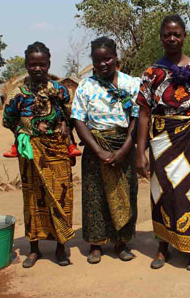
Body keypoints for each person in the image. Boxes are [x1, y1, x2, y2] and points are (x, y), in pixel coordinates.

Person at [136, 15, 190, 271]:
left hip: (189, 138)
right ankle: (163, 247)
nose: (171, 38)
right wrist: (141, 151)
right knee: (161, 193)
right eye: (166, 34)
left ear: (184, 36)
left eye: (177, 34)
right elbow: (143, 113)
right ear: (161, 38)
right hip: (160, 139)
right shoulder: (152, 73)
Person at [3, 42, 74, 268]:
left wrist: (66, 125)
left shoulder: (60, 90)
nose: (37, 69)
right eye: (32, 64)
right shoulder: (18, 94)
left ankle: (61, 248)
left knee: (61, 198)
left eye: (41, 64)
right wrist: (23, 131)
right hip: (31, 153)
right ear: (26, 65)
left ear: (48, 64)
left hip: (58, 150)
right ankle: (34, 249)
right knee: (33, 199)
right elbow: (7, 120)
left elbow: (73, 114)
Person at [71, 36, 140, 264]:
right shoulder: (86, 86)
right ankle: (96, 244)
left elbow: (136, 118)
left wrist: (124, 150)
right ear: (92, 61)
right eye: (98, 60)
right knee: (95, 196)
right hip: (94, 147)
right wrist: (99, 151)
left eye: (107, 59)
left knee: (125, 195)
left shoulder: (131, 84)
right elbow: (79, 120)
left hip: (124, 145)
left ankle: (121, 242)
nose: (103, 64)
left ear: (116, 57)